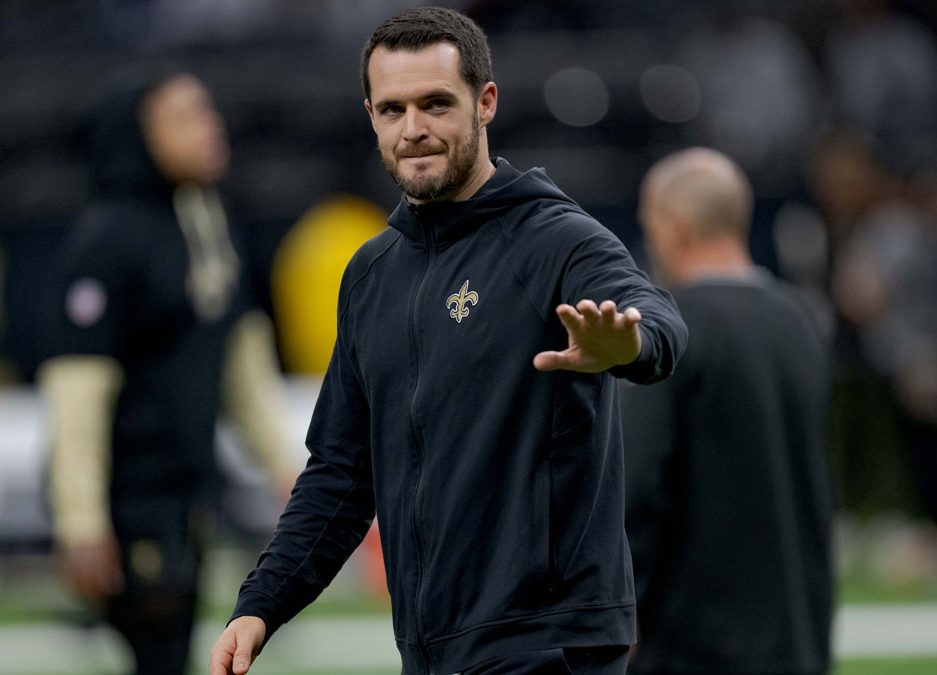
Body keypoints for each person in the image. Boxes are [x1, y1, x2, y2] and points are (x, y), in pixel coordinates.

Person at [209, 7, 687, 675]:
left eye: (436, 103)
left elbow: (655, 316)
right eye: (393, 109)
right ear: (370, 115)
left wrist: (629, 345)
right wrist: (260, 604)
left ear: (485, 102)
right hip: (432, 653)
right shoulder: (371, 274)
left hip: (548, 648)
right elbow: (340, 477)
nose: (414, 129)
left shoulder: (554, 237)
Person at [39, 66, 287, 675]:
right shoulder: (106, 239)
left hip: (189, 491)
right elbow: (76, 395)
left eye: (207, 112)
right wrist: (81, 521)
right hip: (133, 496)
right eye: (184, 118)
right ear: (137, 136)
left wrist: (287, 468)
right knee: (158, 650)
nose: (211, 128)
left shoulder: (210, 221)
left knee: (176, 650)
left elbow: (242, 362)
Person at [622, 148, 833, 675]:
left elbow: (636, 482)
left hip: (694, 642)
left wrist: (618, 607)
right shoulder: (801, 319)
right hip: (798, 636)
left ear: (676, 228)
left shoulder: (673, 326)